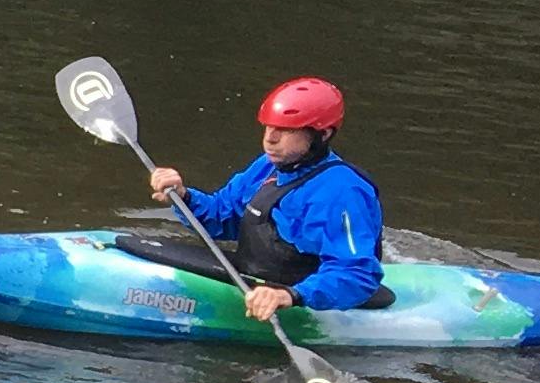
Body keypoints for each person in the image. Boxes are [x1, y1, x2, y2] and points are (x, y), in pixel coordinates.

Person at [134, 76, 385, 320]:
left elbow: (357, 274)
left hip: (306, 298)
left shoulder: (342, 192)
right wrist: (183, 196)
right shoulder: (269, 166)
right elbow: (221, 217)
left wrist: (289, 295)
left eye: (286, 130)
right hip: (262, 279)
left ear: (323, 134)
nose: (270, 139)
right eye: (269, 126)